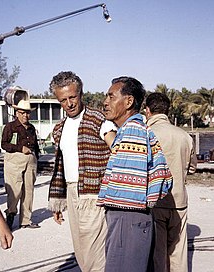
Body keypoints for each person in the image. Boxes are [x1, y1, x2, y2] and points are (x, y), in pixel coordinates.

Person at [97, 76, 173, 272]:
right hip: (131, 218)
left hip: (127, 217)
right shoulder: (136, 129)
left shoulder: (132, 130)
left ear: (129, 101)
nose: (105, 102)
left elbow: (127, 186)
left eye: (111, 97)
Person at [48, 71, 116, 272]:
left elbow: (117, 148)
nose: (69, 103)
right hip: (72, 192)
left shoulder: (99, 120)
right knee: (80, 249)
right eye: (63, 100)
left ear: (81, 94)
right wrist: (57, 201)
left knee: (93, 251)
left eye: (72, 97)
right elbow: (60, 166)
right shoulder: (59, 128)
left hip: (93, 193)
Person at [145, 92, 197, 272]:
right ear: (167, 110)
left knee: (158, 254)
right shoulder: (184, 136)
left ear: (148, 111)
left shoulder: (146, 134)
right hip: (179, 202)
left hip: (156, 202)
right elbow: (192, 169)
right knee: (178, 255)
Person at [1, 98, 40, 230]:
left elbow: (36, 145)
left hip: (31, 160)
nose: (25, 115)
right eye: (22, 112)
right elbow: (4, 144)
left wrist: (36, 158)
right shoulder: (10, 127)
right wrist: (20, 148)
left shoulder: (31, 128)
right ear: (17, 112)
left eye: (27, 113)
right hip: (15, 160)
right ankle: (11, 214)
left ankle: (25, 220)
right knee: (15, 190)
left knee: (28, 190)